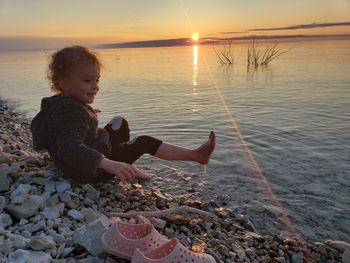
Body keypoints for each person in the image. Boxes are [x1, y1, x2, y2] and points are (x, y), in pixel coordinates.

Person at [30, 45, 216, 184]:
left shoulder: (60, 105)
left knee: (119, 123)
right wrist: (106, 163)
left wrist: (88, 113)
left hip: (77, 162)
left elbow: (58, 127)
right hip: (86, 172)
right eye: (87, 80)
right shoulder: (71, 112)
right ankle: (197, 156)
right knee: (143, 142)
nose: (95, 86)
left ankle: (123, 160)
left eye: (97, 80)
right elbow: (68, 147)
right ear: (64, 83)